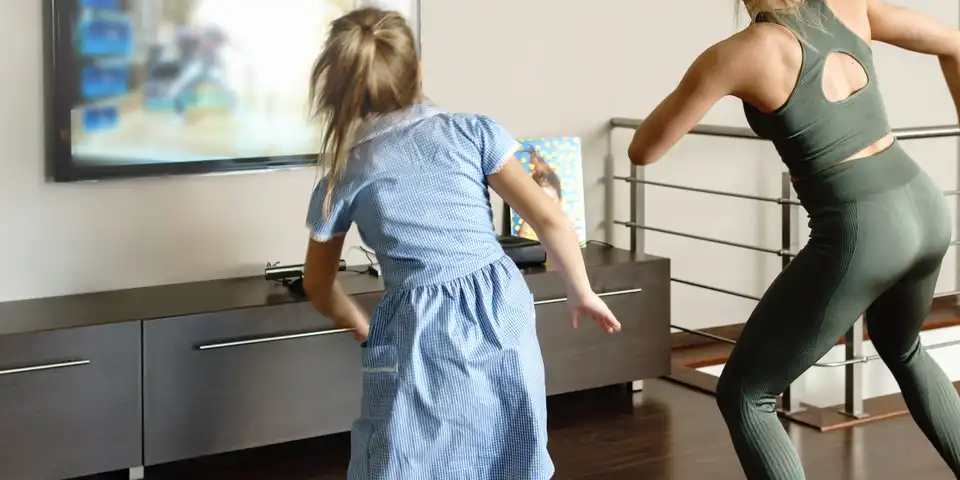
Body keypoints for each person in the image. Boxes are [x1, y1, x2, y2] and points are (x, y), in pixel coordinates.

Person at [626, 0, 960, 478]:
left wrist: (706, 82)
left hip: (862, 228)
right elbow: (955, 43)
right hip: (924, 202)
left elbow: (643, 150)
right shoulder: (850, 6)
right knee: (904, 349)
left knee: (745, 394)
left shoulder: (739, 53)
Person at [300, 8, 621, 479]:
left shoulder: (345, 176)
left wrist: (354, 319)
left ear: (339, 90)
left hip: (420, 328)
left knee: (407, 451)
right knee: (507, 435)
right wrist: (581, 288)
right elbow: (550, 217)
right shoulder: (473, 131)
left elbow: (317, 283)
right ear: (418, 72)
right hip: (500, 306)